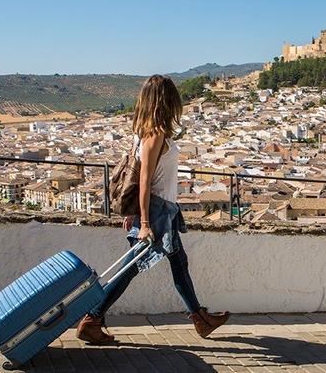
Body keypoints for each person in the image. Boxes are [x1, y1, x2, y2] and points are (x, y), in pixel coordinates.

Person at [76, 75, 230, 344]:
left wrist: (134, 213)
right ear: (166, 101)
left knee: (178, 263)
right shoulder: (154, 135)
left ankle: (200, 318)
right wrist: (144, 221)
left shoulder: (143, 133)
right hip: (157, 212)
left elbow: (138, 176)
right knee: (130, 268)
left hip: (163, 210)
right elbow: (144, 179)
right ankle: (92, 318)